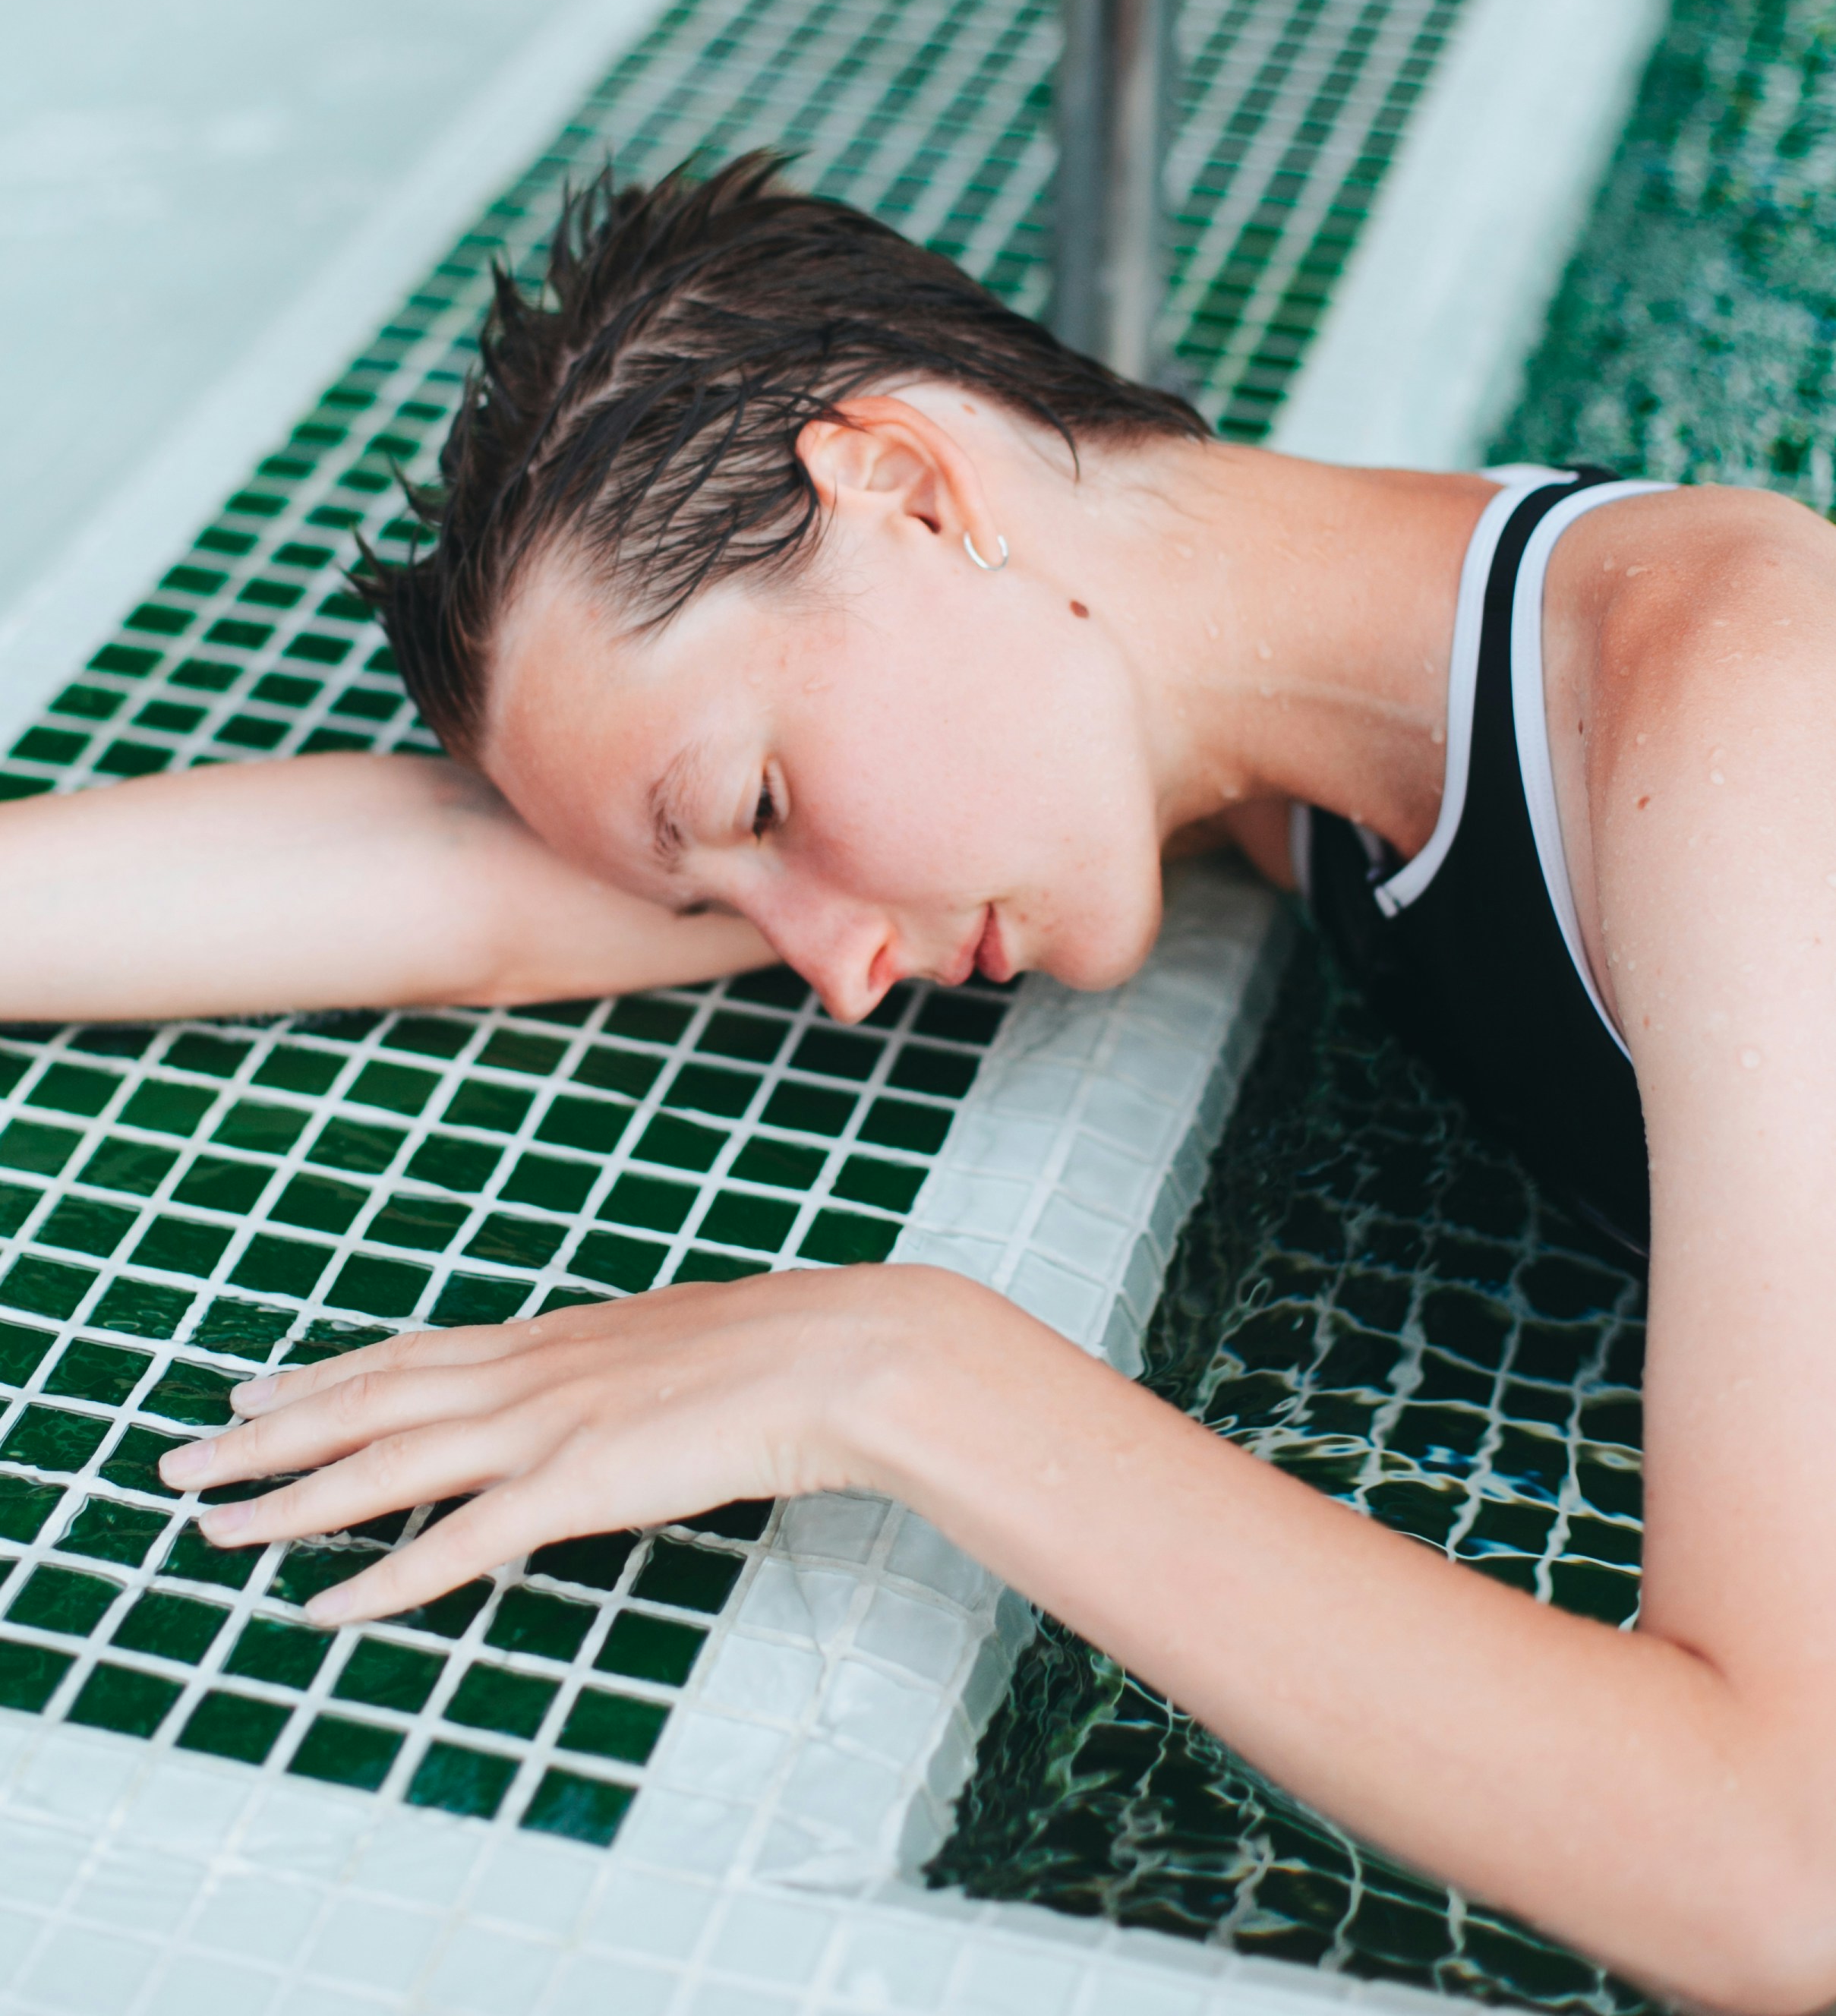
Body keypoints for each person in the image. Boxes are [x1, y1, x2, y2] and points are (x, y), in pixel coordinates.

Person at [2, 154, 1831, 2009]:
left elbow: (1784, 1870)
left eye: (762, 808)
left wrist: (903, 1373)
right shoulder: (1317, 756)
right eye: (723, 888)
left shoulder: (1745, 703)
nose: (832, 972)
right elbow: (485, 898)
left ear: (908, 483)